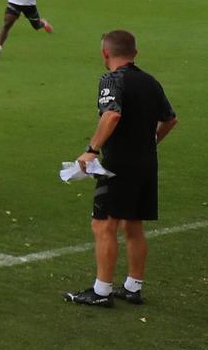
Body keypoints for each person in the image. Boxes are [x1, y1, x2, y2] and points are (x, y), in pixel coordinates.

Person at [64, 30, 178, 308]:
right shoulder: (151, 82)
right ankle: (132, 287)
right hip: (146, 162)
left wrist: (91, 150)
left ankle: (101, 291)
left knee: (103, 224)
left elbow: (112, 114)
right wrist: (149, 143)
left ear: (105, 53)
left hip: (118, 164)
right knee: (133, 224)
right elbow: (170, 119)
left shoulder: (112, 79)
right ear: (135, 53)